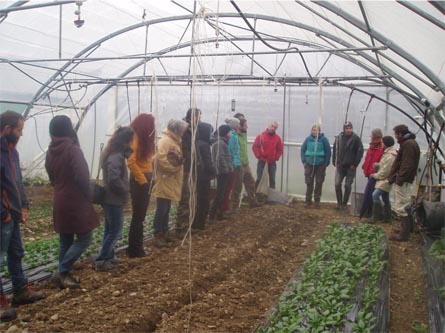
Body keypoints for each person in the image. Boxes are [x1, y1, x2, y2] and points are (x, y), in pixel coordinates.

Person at [45, 115, 99, 289]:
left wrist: (61, 187)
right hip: (75, 200)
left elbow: (51, 175)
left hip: (60, 198)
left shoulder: (51, 149)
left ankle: (63, 275)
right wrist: (88, 195)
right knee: (85, 238)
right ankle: (62, 271)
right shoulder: (72, 149)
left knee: (66, 239)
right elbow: (82, 177)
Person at [1, 111, 45, 322]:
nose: (21, 134)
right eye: (19, 130)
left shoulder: (13, 152)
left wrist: (24, 205)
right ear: (7, 129)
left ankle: (20, 290)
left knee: (16, 252)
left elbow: (17, 182)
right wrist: (5, 214)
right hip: (3, 216)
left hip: (12, 214)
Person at [95, 127, 134, 271]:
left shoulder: (112, 152)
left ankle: (109, 257)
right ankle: (102, 260)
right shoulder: (116, 156)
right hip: (113, 199)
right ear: (127, 141)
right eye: (132, 140)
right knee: (115, 231)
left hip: (110, 198)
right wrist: (125, 190)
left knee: (109, 230)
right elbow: (113, 178)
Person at [151, 119, 188, 248]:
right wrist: (173, 169)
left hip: (170, 180)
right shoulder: (165, 141)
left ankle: (165, 233)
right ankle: (158, 234)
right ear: (176, 129)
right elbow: (159, 159)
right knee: (161, 209)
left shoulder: (174, 140)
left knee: (166, 208)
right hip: (165, 179)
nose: (184, 132)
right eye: (182, 129)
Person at [127, 113, 156, 258]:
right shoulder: (136, 138)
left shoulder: (144, 140)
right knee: (138, 216)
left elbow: (146, 161)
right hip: (140, 182)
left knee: (140, 216)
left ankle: (136, 247)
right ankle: (135, 249)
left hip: (145, 180)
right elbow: (130, 162)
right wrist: (143, 180)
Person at [388, 125, 420, 241]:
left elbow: (407, 164)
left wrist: (399, 179)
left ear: (400, 134)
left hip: (404, 180)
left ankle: (404, 235)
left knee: (400, 206)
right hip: (405, 179)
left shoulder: (408, 144)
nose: (395, 136)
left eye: (396, 134)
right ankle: (407, 229)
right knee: (405, 204)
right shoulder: (408, 143)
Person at [176, 108, 201, 235]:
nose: (199, 120)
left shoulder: (192, 131)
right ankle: (181, 228)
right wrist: (189, 162)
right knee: (185, 198)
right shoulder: (185, 131)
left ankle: (187, 226)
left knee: (191, 196)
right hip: (186, 169)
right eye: (198, 117)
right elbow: (185, 150)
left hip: (192, 168)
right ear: (192, 117)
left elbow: (194, 149)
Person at [332, 121, 364, 210]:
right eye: (347, 128)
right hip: (340, 166)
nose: (349, 130)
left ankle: (344, 204)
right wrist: (334, 160)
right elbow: (335, 149)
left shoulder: (356, 139)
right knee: (337, 184)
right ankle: (339, 203)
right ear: (344, 129)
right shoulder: (339, 138)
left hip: (351, 167)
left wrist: (355, 164)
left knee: (347, 185)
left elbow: (360, 152)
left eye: (350, 128)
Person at [231, 117, 260, 210]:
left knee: (251, 182)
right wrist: (236, 163)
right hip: (238, 165)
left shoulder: (243, 135)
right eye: (245, 125)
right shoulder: (234, 136)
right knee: (237, 186)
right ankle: (234, 207)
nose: (247, 127)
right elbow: (234, 151)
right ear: (240, 126)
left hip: (245, 163)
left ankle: (253, 202)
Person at [300, 124, 331, 208]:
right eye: (313, 130)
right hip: (309, 164)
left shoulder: (324, 140)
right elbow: (302, 150)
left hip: (320, 165)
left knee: (319, 182)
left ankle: (317, 201)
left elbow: (328, 151)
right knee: (309, 182)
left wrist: (326, 163)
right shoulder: (308, 139)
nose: (314, 131)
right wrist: (304, 161)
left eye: (316, 130)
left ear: (319, 131)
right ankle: (308, 200)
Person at [192, 122, 216, 230]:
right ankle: (200, 224)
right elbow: (207, 162)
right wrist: (214, 171)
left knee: (198, 199)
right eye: (210, 133)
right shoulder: (204, 145)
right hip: (204, 177)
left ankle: (195, 223)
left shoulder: (196, 142)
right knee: (203, 200)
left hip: (197, 176)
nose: (211, 136)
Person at [369, 136, 397, 223]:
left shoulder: (390, 156)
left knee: (375, 195)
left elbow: (386, 171)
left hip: (385, 180)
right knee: (385, 198)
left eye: (382, 142)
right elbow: (384, 166)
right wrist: (378, 165)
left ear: (386, 144)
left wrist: (375, 175)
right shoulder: (387, 153)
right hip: (384, 179)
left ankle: (375, 217)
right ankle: (387, 218)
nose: (381, 144)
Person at [209, 125, 233, 222]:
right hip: (222, 172)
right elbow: (220, 157)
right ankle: (212, 215)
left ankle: (219, 214)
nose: (230, 134)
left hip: (223, 171)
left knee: (222, 193)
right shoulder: (220, 143)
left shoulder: (222, 142)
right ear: (225, 133)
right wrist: (227, 169)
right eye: (229, 132)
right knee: (220, 194)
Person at [252, 121, 284, 189]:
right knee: (259, 178)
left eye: (275, 127)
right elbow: (255, 147)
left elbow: (280, 149)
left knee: (272, 179)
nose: (273, 128)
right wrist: (258, 156)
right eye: (272, 126)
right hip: (262, 161)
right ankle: (256, 193)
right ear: (268, 126)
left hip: (272, 162)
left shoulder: (277, 138)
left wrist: (276, 157)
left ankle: (272, 195)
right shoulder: (261, 136)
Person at [360, 128, 383, 217]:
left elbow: (379, 162)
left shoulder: (381, 148)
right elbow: (368, 159)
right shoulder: (372, 147)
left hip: (375, 175)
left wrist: (374, 172)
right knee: (370, 194)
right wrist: (364, 166)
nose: (370, 136)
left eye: (372, 135)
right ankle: (370, 212)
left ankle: (375, 214)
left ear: (377, 137)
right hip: (369, 173)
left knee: (373, 195)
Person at [223, 117, 241, 213]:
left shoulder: (233, 134)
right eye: (238, 124)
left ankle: (226, 207)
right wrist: (235, 164)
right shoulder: (232, 136)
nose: (239, 126)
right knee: (228, 188)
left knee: (228, 187)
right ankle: (225, 208)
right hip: (231, 165)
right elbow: (232, 151)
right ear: (234, 125)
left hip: (232, 164)